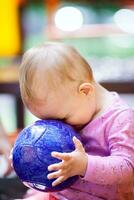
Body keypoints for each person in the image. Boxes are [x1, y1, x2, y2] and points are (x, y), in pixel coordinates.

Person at [19, 42, 134, 200]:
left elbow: (128, 168)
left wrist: (84, 165)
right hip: (60, 194)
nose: (59, 127)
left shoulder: (120, 119)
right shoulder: (71, 106)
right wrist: (25, 156)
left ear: (85, 91)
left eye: (62, 118)